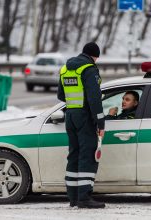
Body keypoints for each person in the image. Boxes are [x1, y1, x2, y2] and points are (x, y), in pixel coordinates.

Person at [57, 42, 105, 209]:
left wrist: (74, 104)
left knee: (74, 154)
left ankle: (73, 197)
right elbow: (94, 98)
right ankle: (84, 198)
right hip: (84, 117)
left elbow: (61, 95)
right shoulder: (88, 69)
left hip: (70, 116)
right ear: (94, 56)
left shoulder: (65, 69)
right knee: (88, 155)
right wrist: (100, 122)